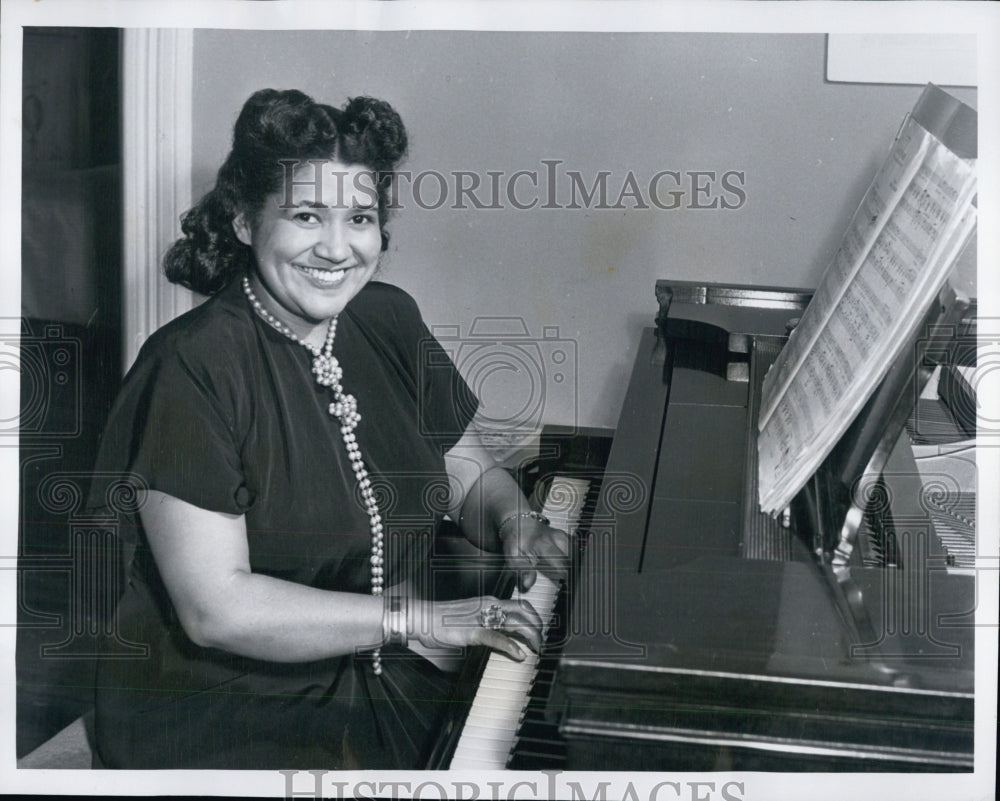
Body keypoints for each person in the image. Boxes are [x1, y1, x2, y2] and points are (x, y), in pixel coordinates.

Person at [87, 88, 568, 769]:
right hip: (226, 712)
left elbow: (467, 473)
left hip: (380, 676)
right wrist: (418, 618)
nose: (338, 248)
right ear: (246, 221)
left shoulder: (388, 318)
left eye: (360, 218)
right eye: (307, 215)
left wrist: (516, 520)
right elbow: (216, 607)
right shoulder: (190, 367)